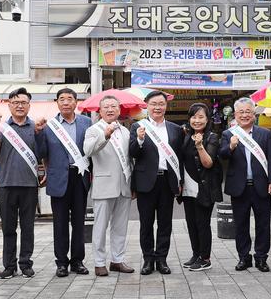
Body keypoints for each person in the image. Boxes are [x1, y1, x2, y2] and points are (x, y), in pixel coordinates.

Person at [35, 88, 92, 277]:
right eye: (62, 99)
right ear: (57, 103)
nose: (66, 102)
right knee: (59, 224)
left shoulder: (86, 122)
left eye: (70, 99)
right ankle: (61, 263)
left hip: (80, 177)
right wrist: (38, 133)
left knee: (79, 222)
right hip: (58, 178)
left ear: (76, 102)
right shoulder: (49, 126)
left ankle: (78, 261)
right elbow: (41, 152)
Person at [219, 97, 271, 273]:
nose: (244, 115)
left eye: (248, 112)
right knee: (241, 225)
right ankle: (244, 257)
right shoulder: (228, 134)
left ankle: (261, 257)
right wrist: (230, 146)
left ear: (254, 114)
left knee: (263, 224)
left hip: (261, 186)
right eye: (241, 112)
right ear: (235, 115)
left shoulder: (265, 134)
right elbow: (221, 156)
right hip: (239, 187)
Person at [129, 90, 184, 275]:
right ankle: (147, 260)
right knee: (146, 224)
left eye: (161, 104)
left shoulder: (175, 130)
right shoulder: (137, 127)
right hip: (146, 182)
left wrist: (180, 181)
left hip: (167, 182)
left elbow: (180, 158)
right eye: (154, 104)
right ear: (147, 105)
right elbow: (133, 153)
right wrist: (140, 139)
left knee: (165, 224)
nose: (157, 107)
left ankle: (162, 260)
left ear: (166, 106)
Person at [0, 87, 38, 279]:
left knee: (28, 228)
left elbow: (42, 154)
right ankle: (9, 266)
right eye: (15, 102)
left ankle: (26, 264)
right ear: (9, 105)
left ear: (29, 106)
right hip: (7, 184)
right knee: (8, 228)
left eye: (23, 102)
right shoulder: (2, 128)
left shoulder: (35, 128)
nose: (19, 106)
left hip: (29, 186)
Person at [83, 95, 134, 277]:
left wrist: (132, 183)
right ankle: (98, 263)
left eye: (114, 106)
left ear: (119, 110)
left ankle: (117, 260)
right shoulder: (93, 130)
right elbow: (88, 151)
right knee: (100, 226)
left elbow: (129, 159)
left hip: (124, 185)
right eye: (106, 107)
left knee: (120, 226)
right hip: (104, 185)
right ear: (100, 110)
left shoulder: (126, 131)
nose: (110, 109)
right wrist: (105, 135)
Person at [181, 103, 223, 272]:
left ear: (207, 119)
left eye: (201, 117)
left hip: (204, 187)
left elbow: (208, 163)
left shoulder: (211, 137)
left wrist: (199, 146)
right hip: (187, 187)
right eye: (193, 116)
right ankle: (196, 254)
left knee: (202, 223)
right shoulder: (185, 135)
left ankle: (205, 258)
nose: (196, 120)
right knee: (191, 222)